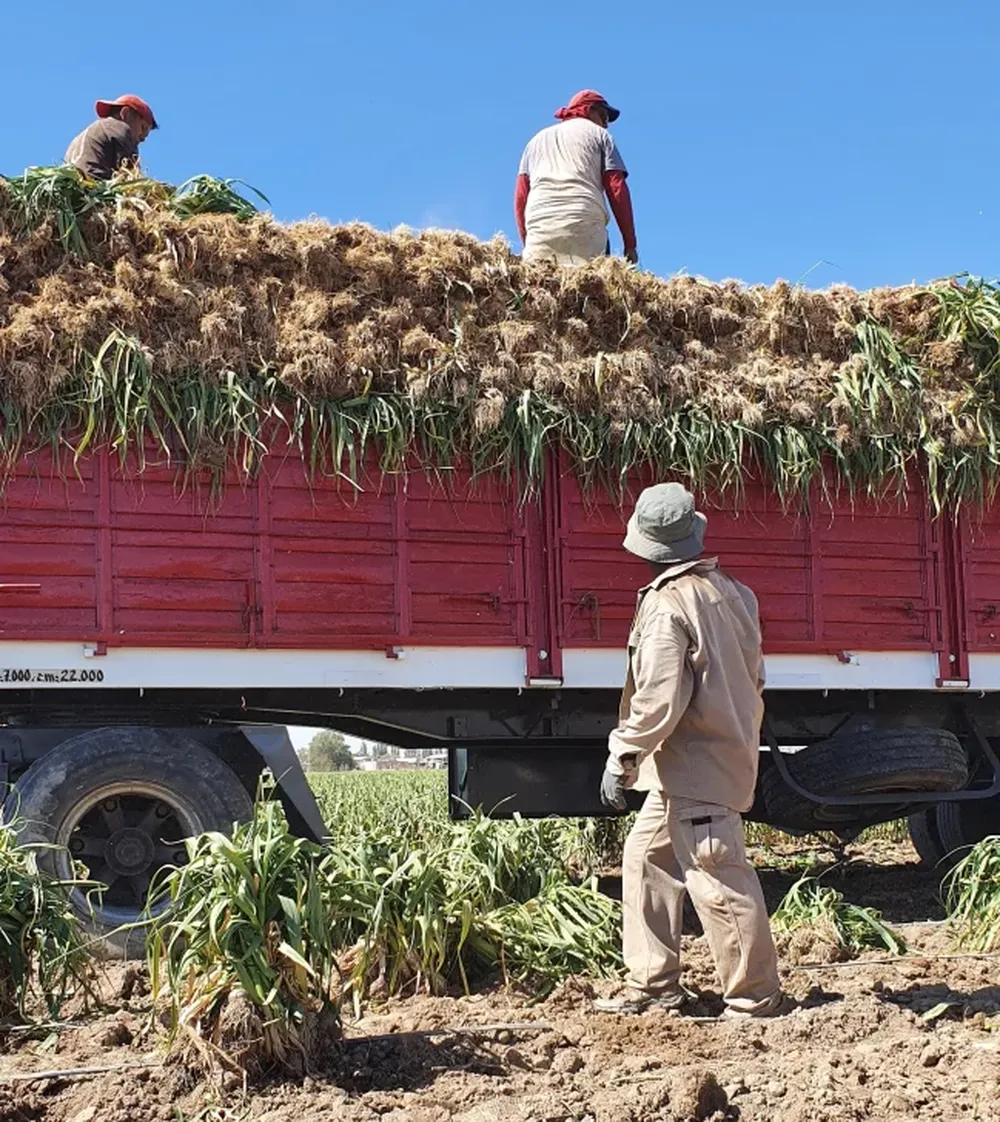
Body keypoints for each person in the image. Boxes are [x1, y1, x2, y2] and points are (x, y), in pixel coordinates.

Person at [594, 482, 790, 1019]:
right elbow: (754, 676)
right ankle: (654, 983)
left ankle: (754, 1000)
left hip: (696, 767)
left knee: (716, 877)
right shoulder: (734, 591)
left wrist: (622, 756)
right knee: (645, 858)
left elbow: (658, 698)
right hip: (703, 762)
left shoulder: (667, 606)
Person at [514, 89, 637, 266]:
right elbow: (617, 189)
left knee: (540, 285)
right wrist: (630, 244)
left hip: (540, 227)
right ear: (588, 110)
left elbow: (521, 197)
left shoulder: (535, 141)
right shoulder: (600, 135)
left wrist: (527, 242)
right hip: (583, 224)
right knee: (594, 284)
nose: (606, 124)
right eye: (604, 116)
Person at [65, 95, 158, 181]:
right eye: (143, 128)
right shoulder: (120, 128)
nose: (142, 138)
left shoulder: (80, 138)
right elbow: (131, 177)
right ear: (125, 114)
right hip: (95, 185)